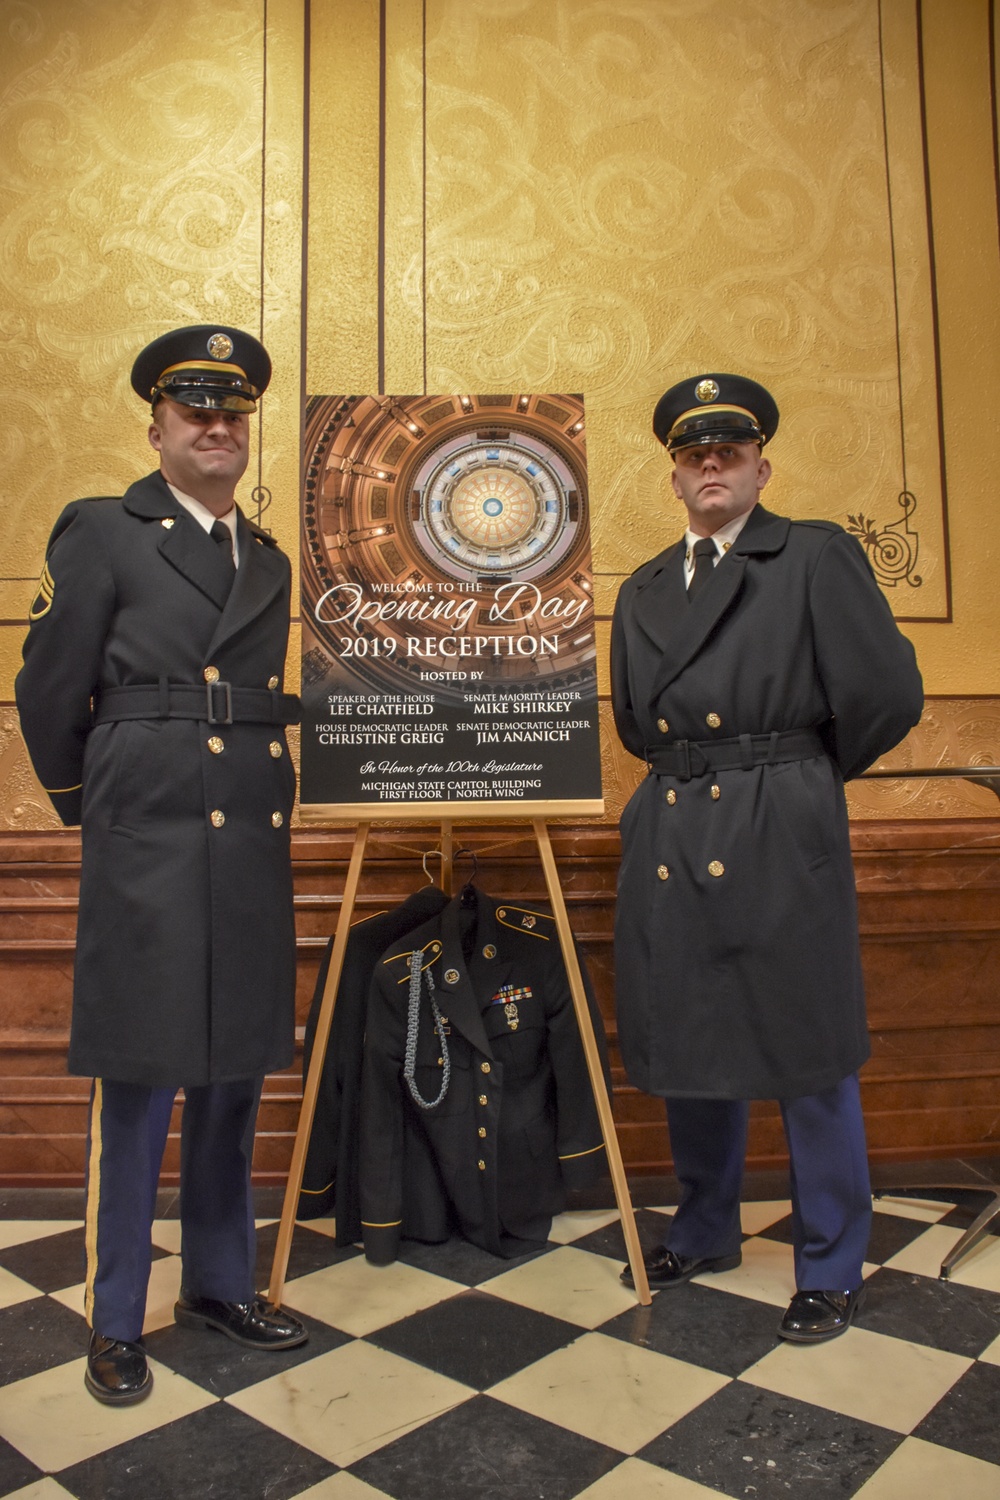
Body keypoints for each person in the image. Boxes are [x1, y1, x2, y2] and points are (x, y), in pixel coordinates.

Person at [16, 325, 307, 1404]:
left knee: (233, 1073)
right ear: (157, 425)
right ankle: (115, 1317)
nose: (217, 427)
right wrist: (101, 811)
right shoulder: (106, 529)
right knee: (138, 1082)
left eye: (233, 413)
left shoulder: (268, 559)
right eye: (196, 410)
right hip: (145, 833)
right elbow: (49, 691)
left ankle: (220, 1285)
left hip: (245, 839)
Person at [610, 373, 923, 1343]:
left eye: (729, 451)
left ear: (760, 466)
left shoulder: (814, 556)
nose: (711, 465)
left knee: (808, 1047)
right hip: (674, 821)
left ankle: (830, 1258)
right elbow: (632, 719)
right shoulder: (646, 585)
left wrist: (791, 780)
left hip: (778, 822)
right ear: (674, 477)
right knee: (694, 1035)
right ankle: (706, 1227)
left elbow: (885, 694)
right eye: (694, 455)